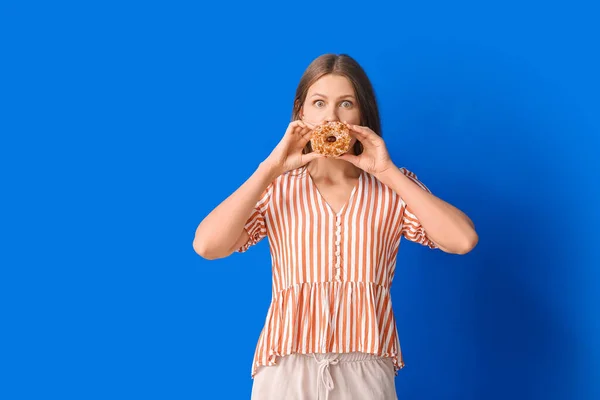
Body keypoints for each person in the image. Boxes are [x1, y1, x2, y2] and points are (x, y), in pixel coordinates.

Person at [193, 53, 478, 400]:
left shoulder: (392, 189)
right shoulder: (277, 189)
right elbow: (207, 245)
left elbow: (462, 240)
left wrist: (388, 173)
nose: (331, 116)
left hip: (366, 367)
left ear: (362, 114)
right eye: (318, 103)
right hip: (286, 367)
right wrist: (270, 168)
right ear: (301, 112)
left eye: (346, 103)